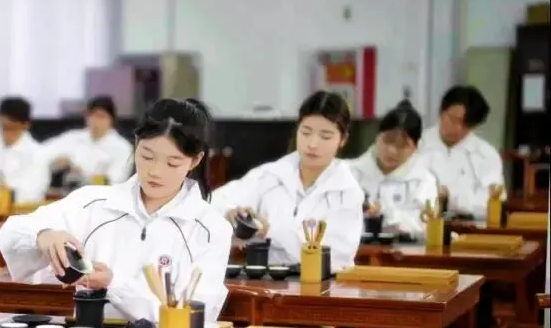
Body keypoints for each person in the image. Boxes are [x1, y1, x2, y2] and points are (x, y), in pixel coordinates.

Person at [0, 98, 232, 328]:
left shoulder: (211, 229)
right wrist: (43, 235)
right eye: (147, 156)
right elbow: (11, 233)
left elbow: (197, 316)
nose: (155, 171)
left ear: (195, 160)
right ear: (136, 143)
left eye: (172, 163)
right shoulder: (93, 202)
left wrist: (115, 285)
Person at [211, 91, 363, 271]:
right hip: (268, 282)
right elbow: (212, 203)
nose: (312, 144)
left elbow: (336, 258)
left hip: (323, 285)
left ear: (342, 140)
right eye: (306, 132)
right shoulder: (271, 175)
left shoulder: (347, 192)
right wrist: (231, 213)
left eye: (325, 136)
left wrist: (271, 230)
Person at [348, 101, 438, 240]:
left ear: (415, 147)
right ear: (377, 136)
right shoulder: (351, 173)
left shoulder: (424, 181)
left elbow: (424, 225)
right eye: (387, 141)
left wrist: (387, 215)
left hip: (405, 251)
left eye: (402, 145)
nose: (392, 151)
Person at [418, 85, 503, 219]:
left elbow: (492, 202)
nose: (458, 129)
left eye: (466, 125)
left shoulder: (486, 155)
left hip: (468, 227)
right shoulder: (417, 146)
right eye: (453, 120)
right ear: (441, 112)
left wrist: (451, 199)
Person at [44, 95, 133, 185]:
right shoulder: (73, 137)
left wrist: (83, 177)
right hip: (68, 190)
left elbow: (113, 180)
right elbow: (42, 154)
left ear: (111, 120)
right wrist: (57, 163)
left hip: (101, 192)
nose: (95, 121)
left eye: (101, 116)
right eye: (92, 116)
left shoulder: (122, 147)